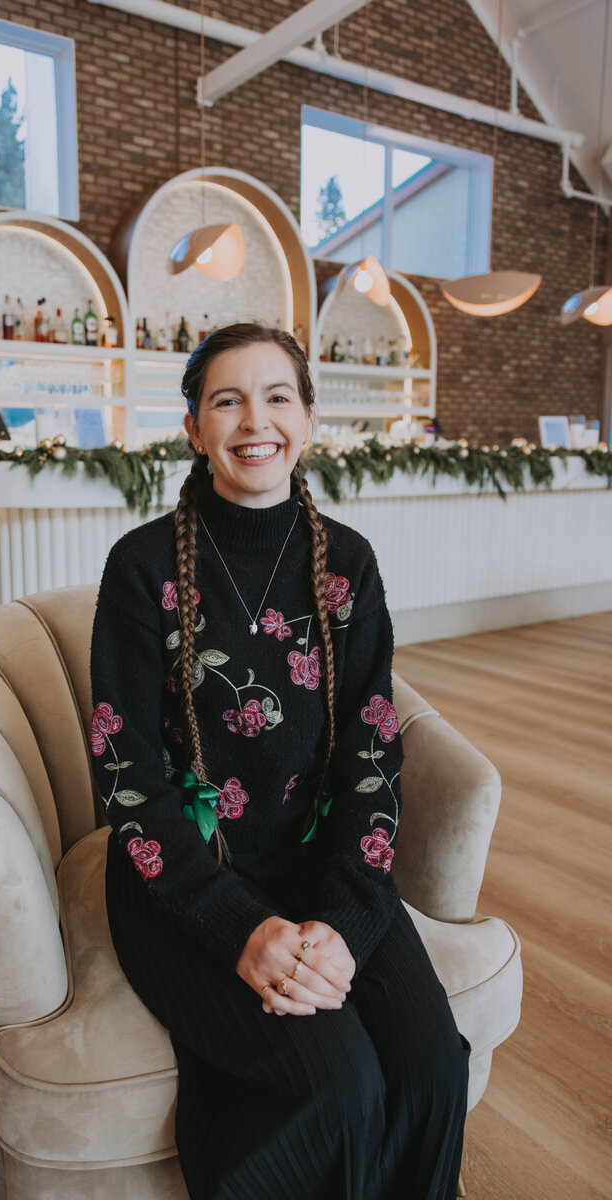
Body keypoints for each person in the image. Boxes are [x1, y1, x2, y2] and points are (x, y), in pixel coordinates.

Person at [90, 323, 470, 1200]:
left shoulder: (351, 564)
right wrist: (240, 931)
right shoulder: (140, 567)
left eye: (277, 396)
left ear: (307, 417)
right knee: (337, 1085)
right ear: (193, 428)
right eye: (226, 400)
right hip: (185, 882)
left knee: (430, 1071)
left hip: (321, 867)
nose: (253, 420)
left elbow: (374, 757)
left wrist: (344, 920)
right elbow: (129, 781)